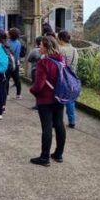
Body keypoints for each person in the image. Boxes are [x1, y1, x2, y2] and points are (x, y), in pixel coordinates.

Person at [29, 36, 67, 166]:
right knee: (59, 124)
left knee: (47, 127)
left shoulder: (43, 63)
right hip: (59, 97)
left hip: (46, 99)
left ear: (46, 47)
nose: (39, 47)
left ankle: (44, 157)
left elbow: (39, 85)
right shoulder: (62, 59)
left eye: (41, 45)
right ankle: (58, 154)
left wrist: (32, 91)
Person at [58, 31, 79, 128]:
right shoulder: (75, 50)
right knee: (70, 100)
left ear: (61, 39)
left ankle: (57, 121)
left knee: (59, 99)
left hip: (62, 77)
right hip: (72, 77)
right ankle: (72, 121)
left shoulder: (60, 49)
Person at [6, 28, 23, 100]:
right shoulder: (18, 43)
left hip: (7, 63)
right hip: (15, 63)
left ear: (10, 35)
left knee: (6, 79)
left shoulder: (6, 42)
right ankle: (18, 94)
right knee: (17, 79)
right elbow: (17, 54)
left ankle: (7, 94)